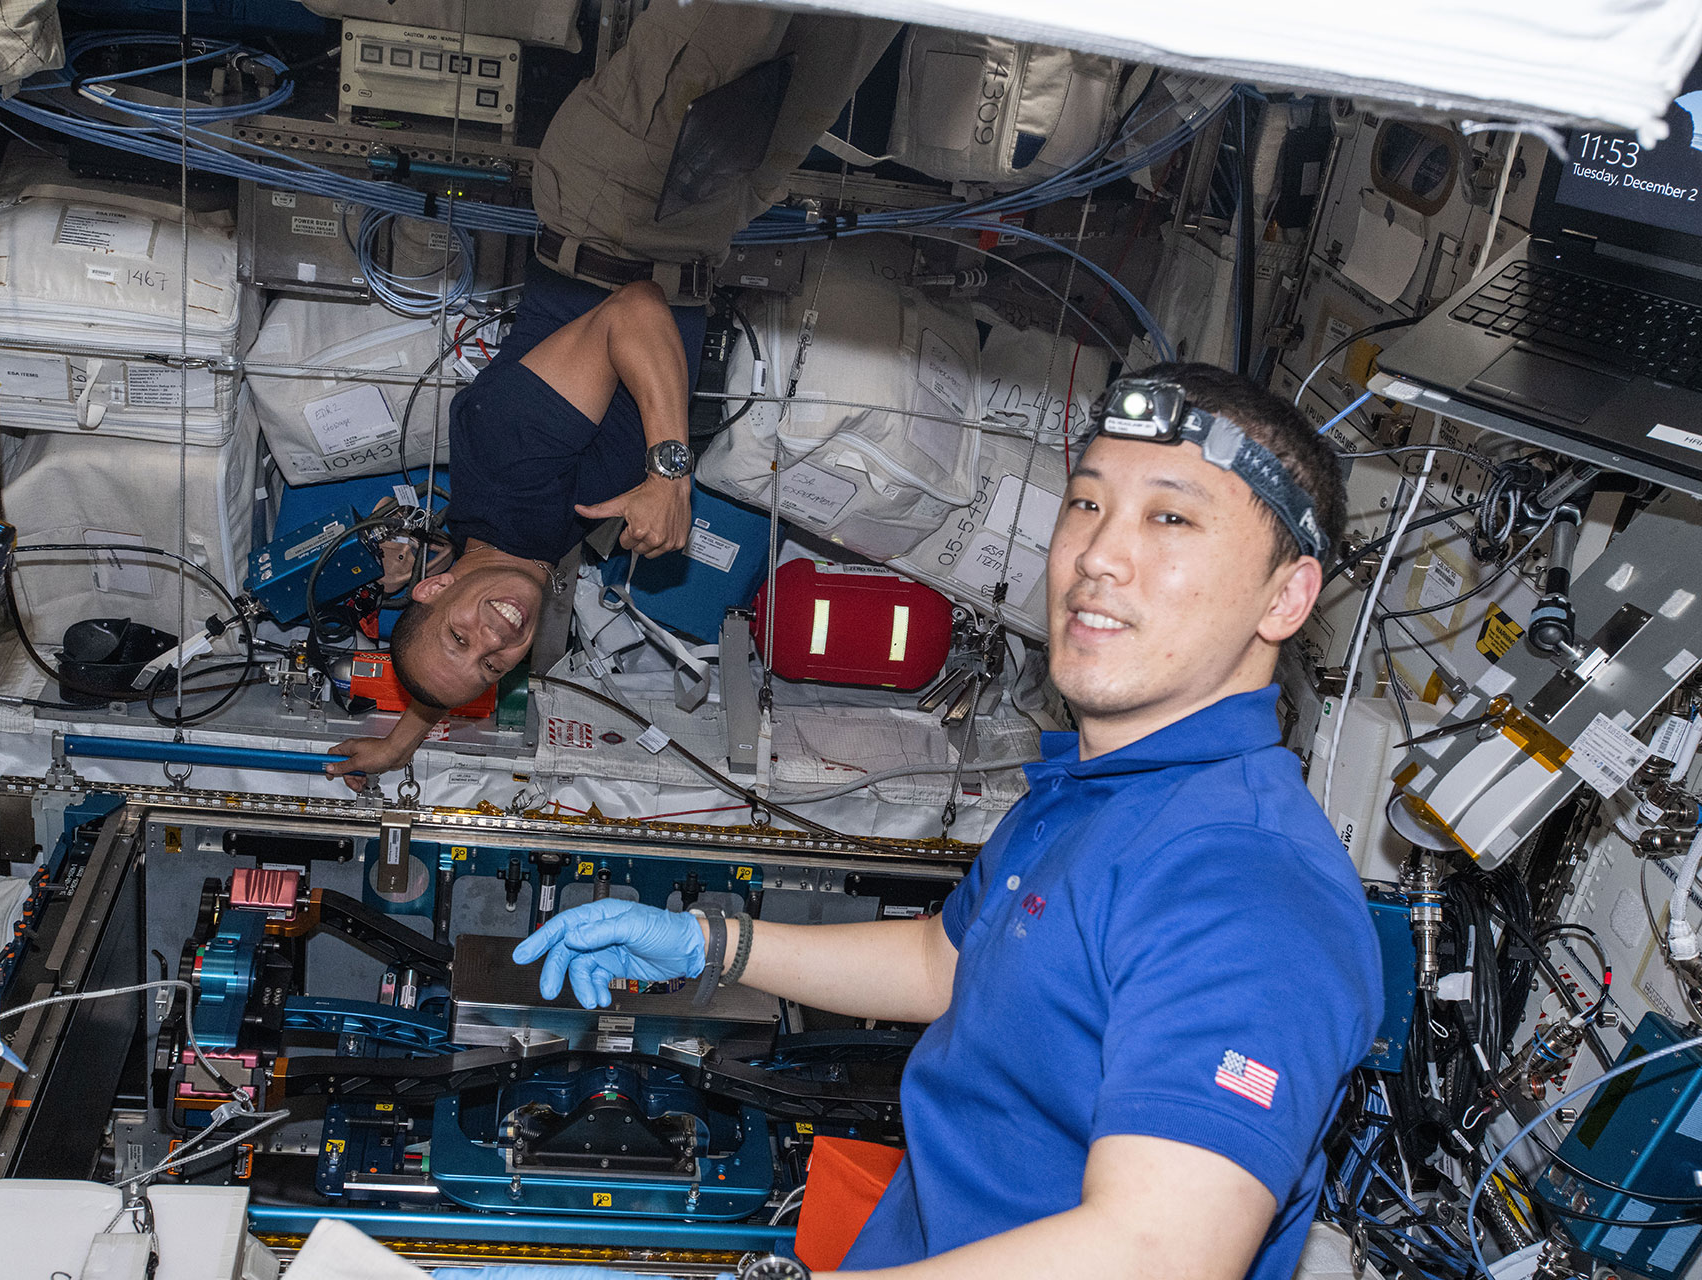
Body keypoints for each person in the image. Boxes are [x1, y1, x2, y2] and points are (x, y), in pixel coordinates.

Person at [500, 363, 1387, 1280]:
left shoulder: (1247, 881)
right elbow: (951, 965)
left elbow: (1157, 1253)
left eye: (1171, 518)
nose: (1096, 556)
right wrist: (708, 944)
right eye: (1085, 505)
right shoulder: (1105, 792)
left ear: (1285, 597)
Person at [325, 0, 898, 789]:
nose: (494, 639)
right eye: (493, 661)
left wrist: (670, 474)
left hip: (622, 195)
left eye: (464, 638)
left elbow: (635, 314)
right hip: (700, 210)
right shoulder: (525, 544)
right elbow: (450, 648)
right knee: (864, 21)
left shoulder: (500, 461)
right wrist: (407, 733)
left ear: (434, 583)